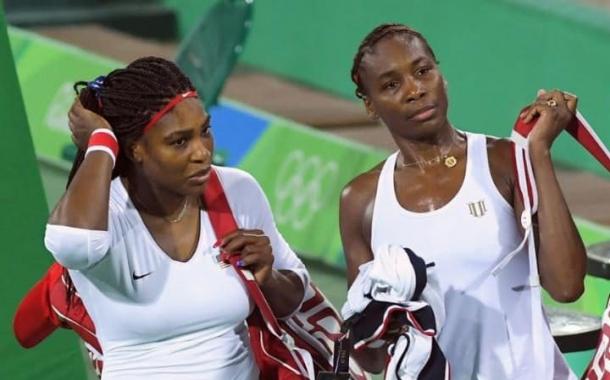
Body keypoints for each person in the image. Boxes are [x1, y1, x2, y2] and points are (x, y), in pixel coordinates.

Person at [339, 23, 586, 379]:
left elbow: (567, 286)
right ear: (370, 105)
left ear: (441, 74)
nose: (415, 90)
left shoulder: (504, 161)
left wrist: (538, 153)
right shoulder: (361, 200)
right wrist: (386, 321)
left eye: (423, 71)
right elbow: (371, 357)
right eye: (392, 85)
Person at [43, 56, 309, 380]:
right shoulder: (102, 213)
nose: (202, 152)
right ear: (135, 149)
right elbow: (72, 244)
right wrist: (101, 141)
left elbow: (293, 298)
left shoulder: (237, 190)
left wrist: (268, 278)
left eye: (205, 131)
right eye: (179, 141)